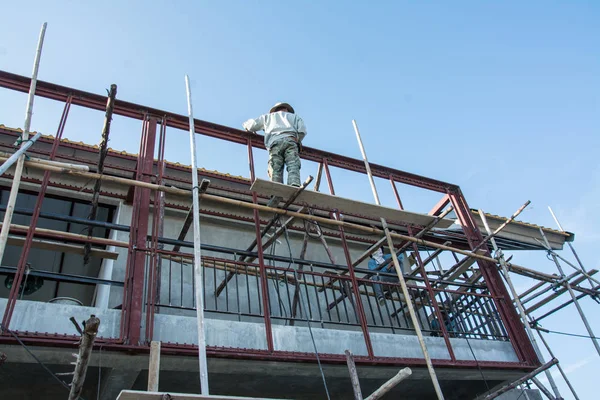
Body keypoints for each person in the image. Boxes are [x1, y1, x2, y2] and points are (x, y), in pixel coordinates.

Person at [242, 102, 307, 187]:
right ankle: (294, 183)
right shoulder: (295, 117)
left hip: (275, 142)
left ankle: (276, 186)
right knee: (293, 164)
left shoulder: (268, 117)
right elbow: (302, 131)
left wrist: (246, 126)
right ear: (287, 109)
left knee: (275, 166)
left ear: (275, 110)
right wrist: (297, 139)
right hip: (290, 141)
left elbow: (251, 125)